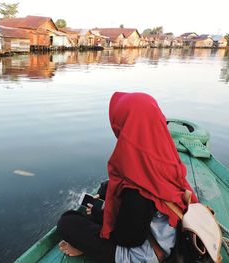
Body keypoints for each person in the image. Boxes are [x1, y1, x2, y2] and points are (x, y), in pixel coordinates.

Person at [57, 92, 198, 263]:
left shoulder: (138, 189)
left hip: (143, 254)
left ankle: (85, 248)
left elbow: (129, 239)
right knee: (108, 188)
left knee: (67, 222)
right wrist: (104, 193)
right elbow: (124, 186)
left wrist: (99, 212)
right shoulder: (163, 157)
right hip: (164, 235)